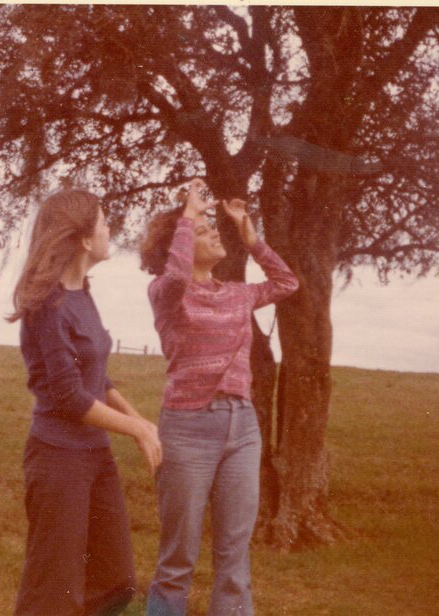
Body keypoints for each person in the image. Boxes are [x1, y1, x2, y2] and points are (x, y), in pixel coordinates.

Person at [140, 179, 299, 616]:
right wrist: (188, 215)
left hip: (242, 427)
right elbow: (177, 276)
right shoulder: (166, 293)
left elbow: (287, 282)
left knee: (234, 557)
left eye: (212, 227)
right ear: (179, 244)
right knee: (178, 557)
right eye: (203, 229)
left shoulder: (237, 294)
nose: (213, 232)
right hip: (187, 429)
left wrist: (251, 237)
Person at [8, 188, 163, 616]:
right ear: (82, 238)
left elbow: (97, 379)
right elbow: (69, 396)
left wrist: (141, 422)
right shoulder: (48, 305)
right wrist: (136, 429)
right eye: (104, 222)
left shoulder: (82, 293)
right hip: (58, 458)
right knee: (52, 594)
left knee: (115, 581)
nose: (110, 230)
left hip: (95, 454)